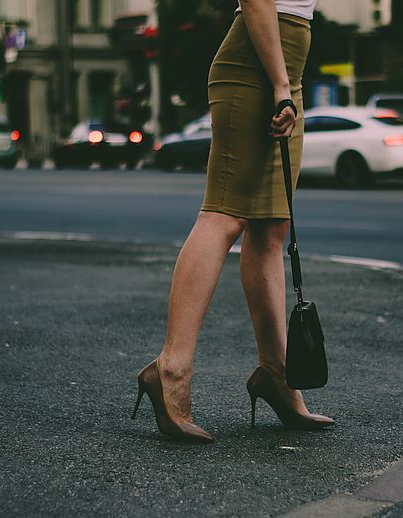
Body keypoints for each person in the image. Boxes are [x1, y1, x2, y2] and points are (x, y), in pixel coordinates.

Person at [132, 0, 333, 444]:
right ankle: (171, 369)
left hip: (287, 69)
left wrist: (286, 83)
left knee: (271, 228)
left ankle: (277, 373)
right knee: (224, 214)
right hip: (255, 64)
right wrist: (280, 82)